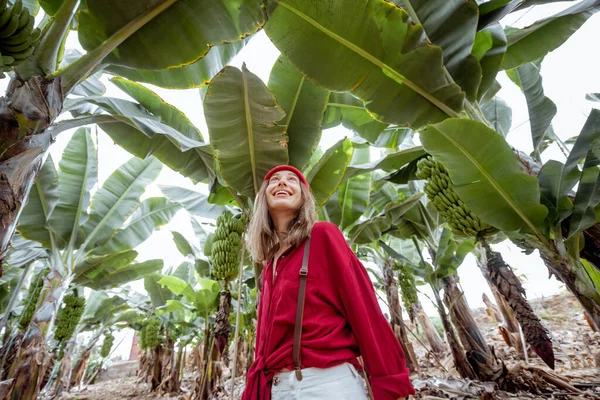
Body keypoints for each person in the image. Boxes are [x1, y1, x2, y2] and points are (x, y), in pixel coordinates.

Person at [242, 165, 415, 400]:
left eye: (292, 179)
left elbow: (363, 309)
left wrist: (389, 381)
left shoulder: (322, 236)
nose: (282, 183)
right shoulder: (269, 264)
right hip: (279, 389)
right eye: (274, 180)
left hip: (327, 384)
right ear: (263, 197)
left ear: (304, 197)